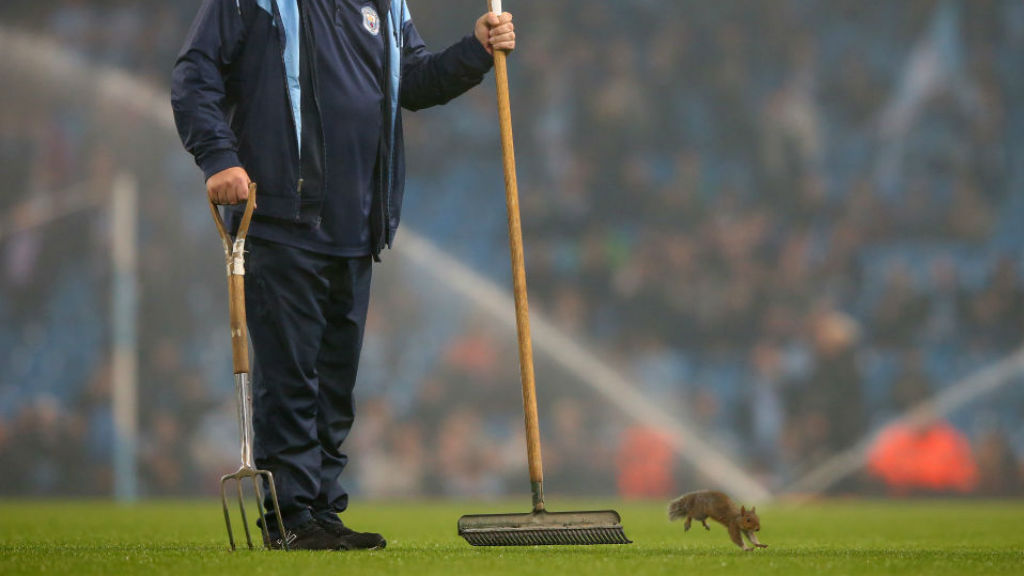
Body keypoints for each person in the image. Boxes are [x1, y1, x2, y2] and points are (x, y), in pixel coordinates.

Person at [171, 0, 515, 550]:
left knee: (334, 386)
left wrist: (476, 49)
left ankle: (323, 509)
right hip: (281, 220)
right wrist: (218, 157)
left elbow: (416, 82)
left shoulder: (386, 4)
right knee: (291, 379)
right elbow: (196, 72)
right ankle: (290, 516)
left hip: (356, 229)